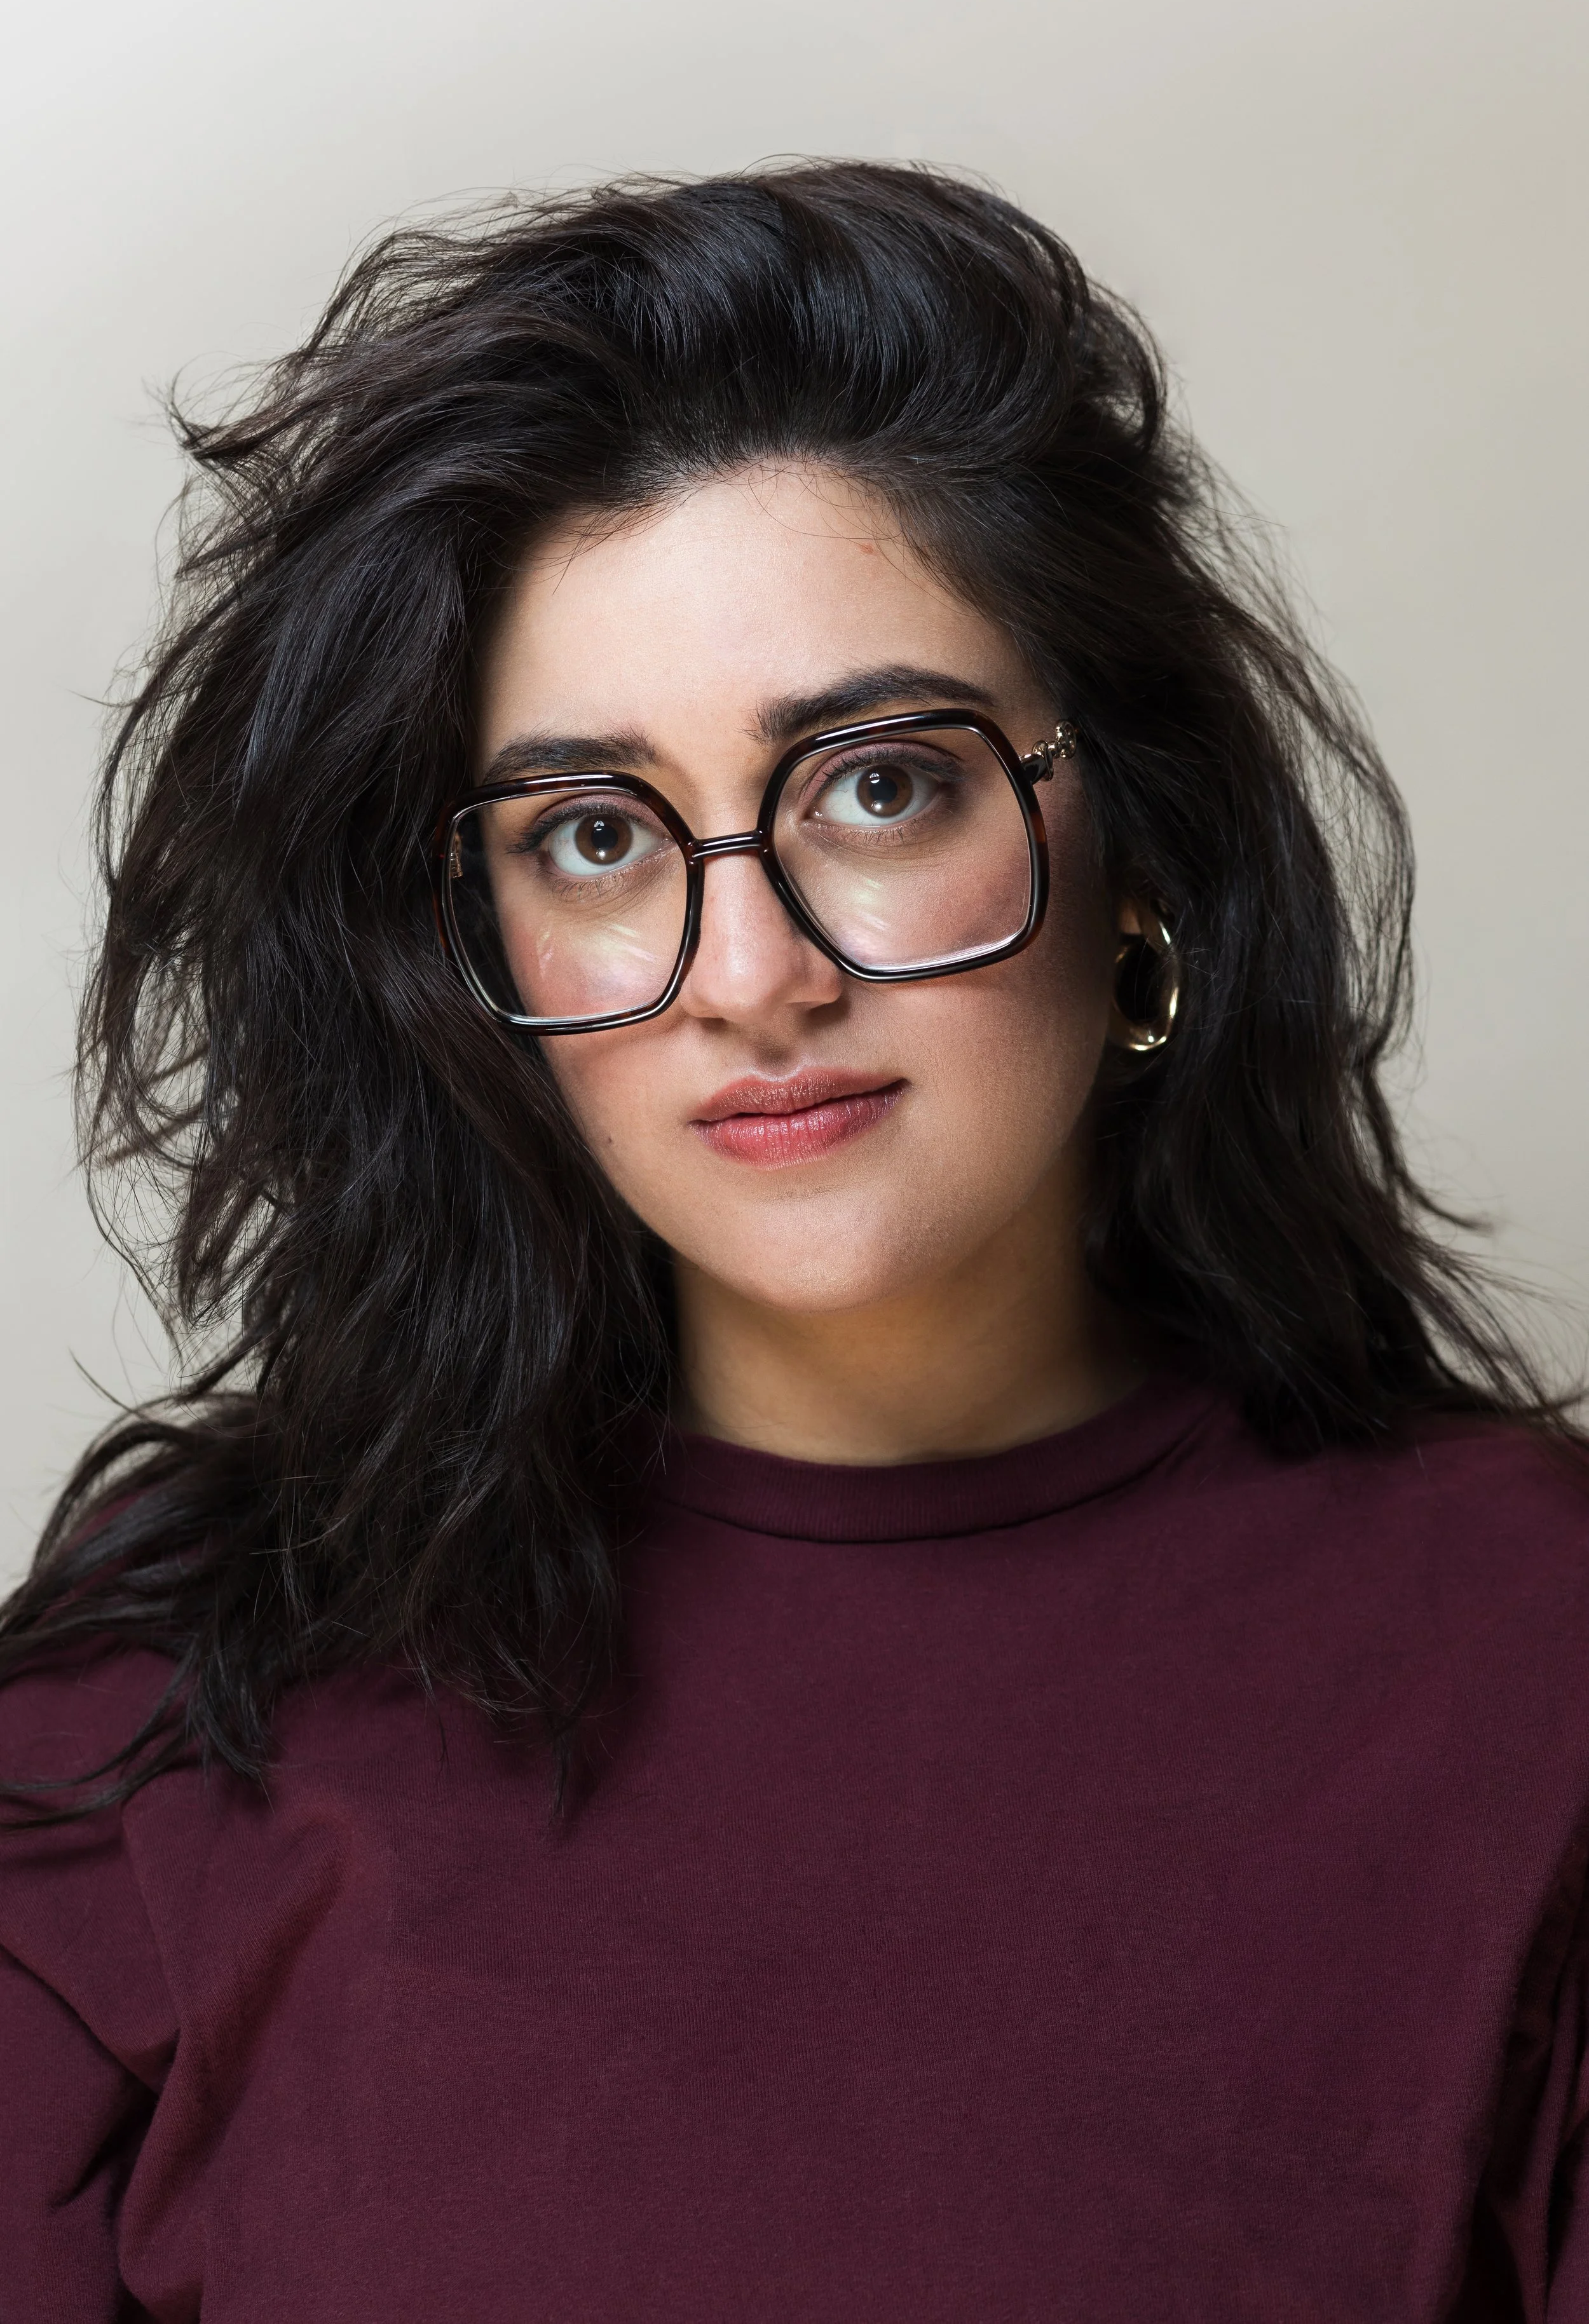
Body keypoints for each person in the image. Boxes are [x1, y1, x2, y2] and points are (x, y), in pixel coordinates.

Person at [0, 161, 1584, 2323]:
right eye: (591, 834)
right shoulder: (160, 1711)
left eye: (875, 785)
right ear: (474, 951)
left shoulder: (1525, 1660)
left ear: (1134, 848)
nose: (746, 971)